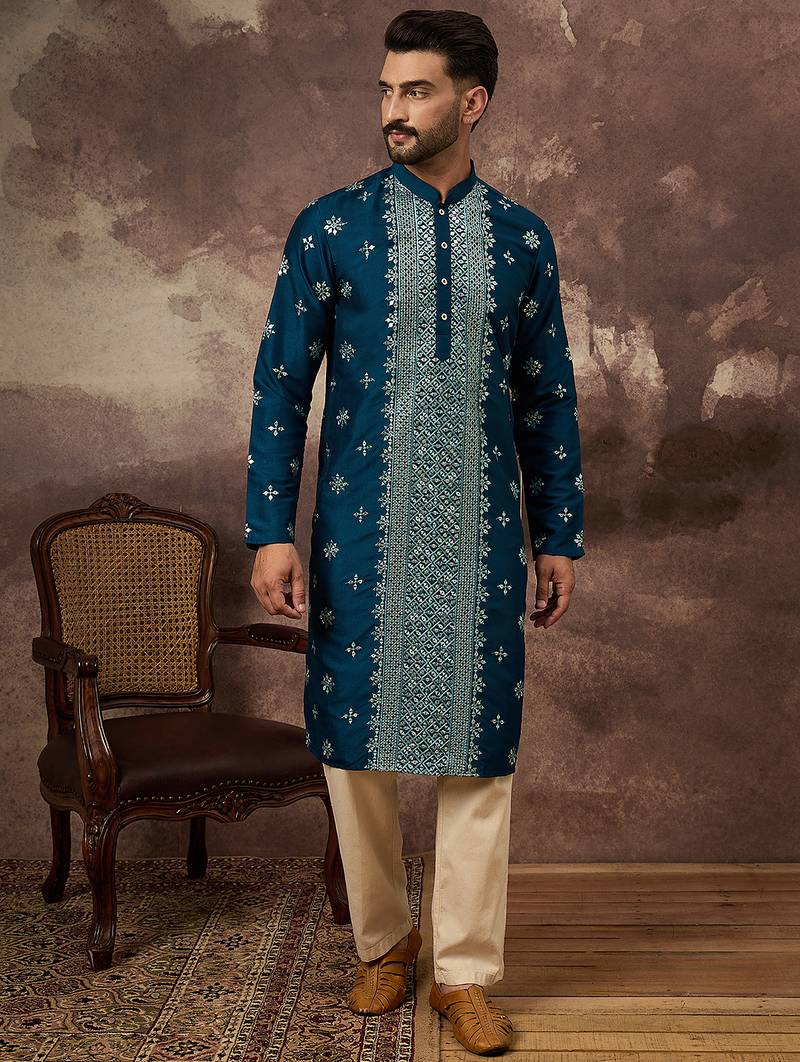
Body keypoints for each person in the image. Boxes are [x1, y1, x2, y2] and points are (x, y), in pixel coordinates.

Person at [245, 9, 585, 1056]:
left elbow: (548, 396)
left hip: (482, 534)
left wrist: (557, 534)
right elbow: (279, 386)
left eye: (416, 91)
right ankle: (383, 945)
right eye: (386, 90)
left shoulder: (521, 239)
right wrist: (270, 530)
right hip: (359, 530)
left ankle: (464, 973)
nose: (393, 110)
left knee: (479, 756)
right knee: (355, 752)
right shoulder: (330, 227)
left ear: (472, 103)